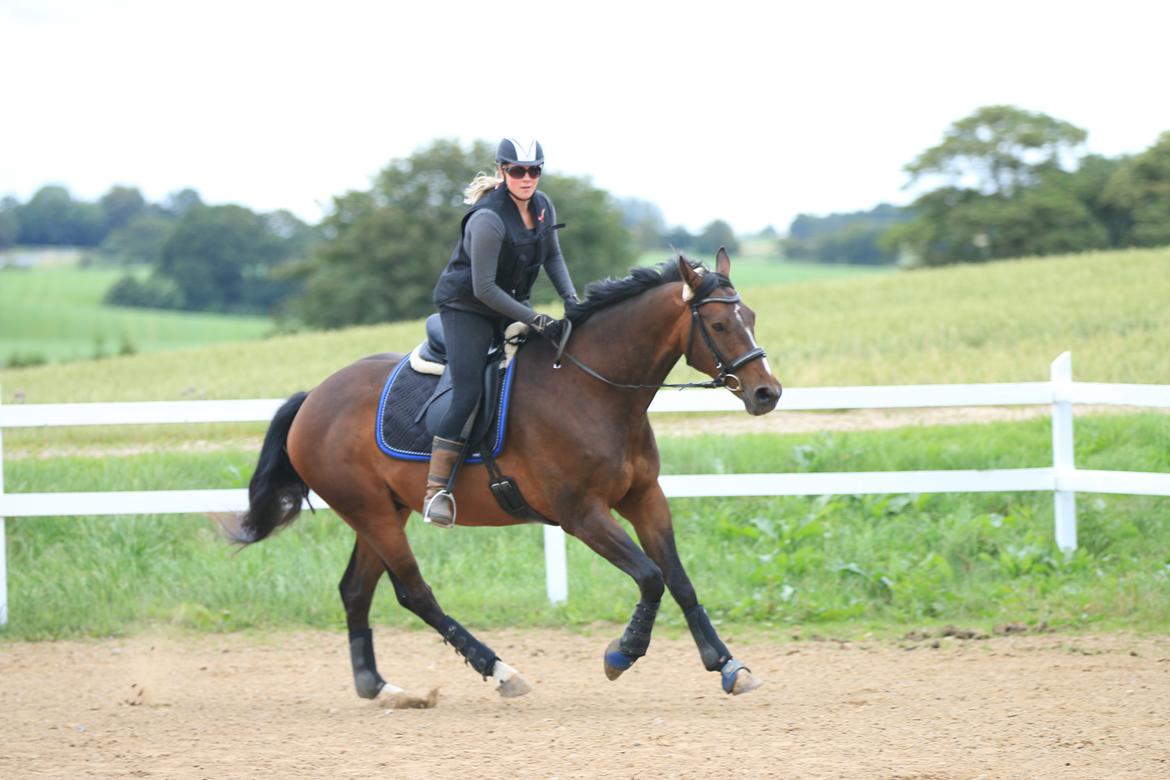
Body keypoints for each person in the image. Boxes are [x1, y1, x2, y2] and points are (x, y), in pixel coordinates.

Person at [424, 138, 579, 527]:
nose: (527, 178)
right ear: (502, 172)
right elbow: (484, 289)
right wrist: (534, 319)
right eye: (517, 171)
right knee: (468, 392)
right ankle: (436, 490)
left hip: (508, 305)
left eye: (534, 170)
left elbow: (554, 256)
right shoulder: (488, 219)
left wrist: (573, 301)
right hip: (468, 308)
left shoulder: (543, 208)